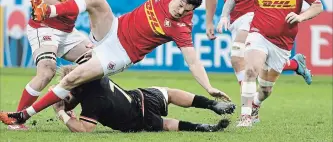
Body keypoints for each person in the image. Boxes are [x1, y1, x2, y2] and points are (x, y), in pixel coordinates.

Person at [0, 0, 231, 126]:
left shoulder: (182, 28)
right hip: (114, 28)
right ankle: (46, 10)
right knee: (95, 0)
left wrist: (208, 87)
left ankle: (24, 115)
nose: (181, 12)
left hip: (119, 54)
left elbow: (193, 62)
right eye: (181, 5)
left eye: (187, 11)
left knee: (72, 78)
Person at [217, 0, 323, 127]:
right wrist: (224, 16)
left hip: (283, 43)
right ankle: (245, 117)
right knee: (251, 70)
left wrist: (300, 17)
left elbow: (317, 5)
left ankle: (256, 104)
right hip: (259, 34)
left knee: (265, 89)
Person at [9, 0, 102, 131]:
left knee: (95, 64)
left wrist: (96, 39)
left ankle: (66, 104)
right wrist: (68, 8)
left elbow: (96, 13)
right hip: (43, 27)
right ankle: (17, 119)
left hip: (68, 32)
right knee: (47, 70)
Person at [50, 65, 235, 133]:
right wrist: (67, 105)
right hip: (140, 96)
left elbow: (85, 129)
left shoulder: (93, 102)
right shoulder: (96, 76)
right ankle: (212, 104)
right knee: (169, 93)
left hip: (137, 120)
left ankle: (205, 128)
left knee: (167, 124)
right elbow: (77, 96)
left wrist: (61, 113)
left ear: (77, 87)